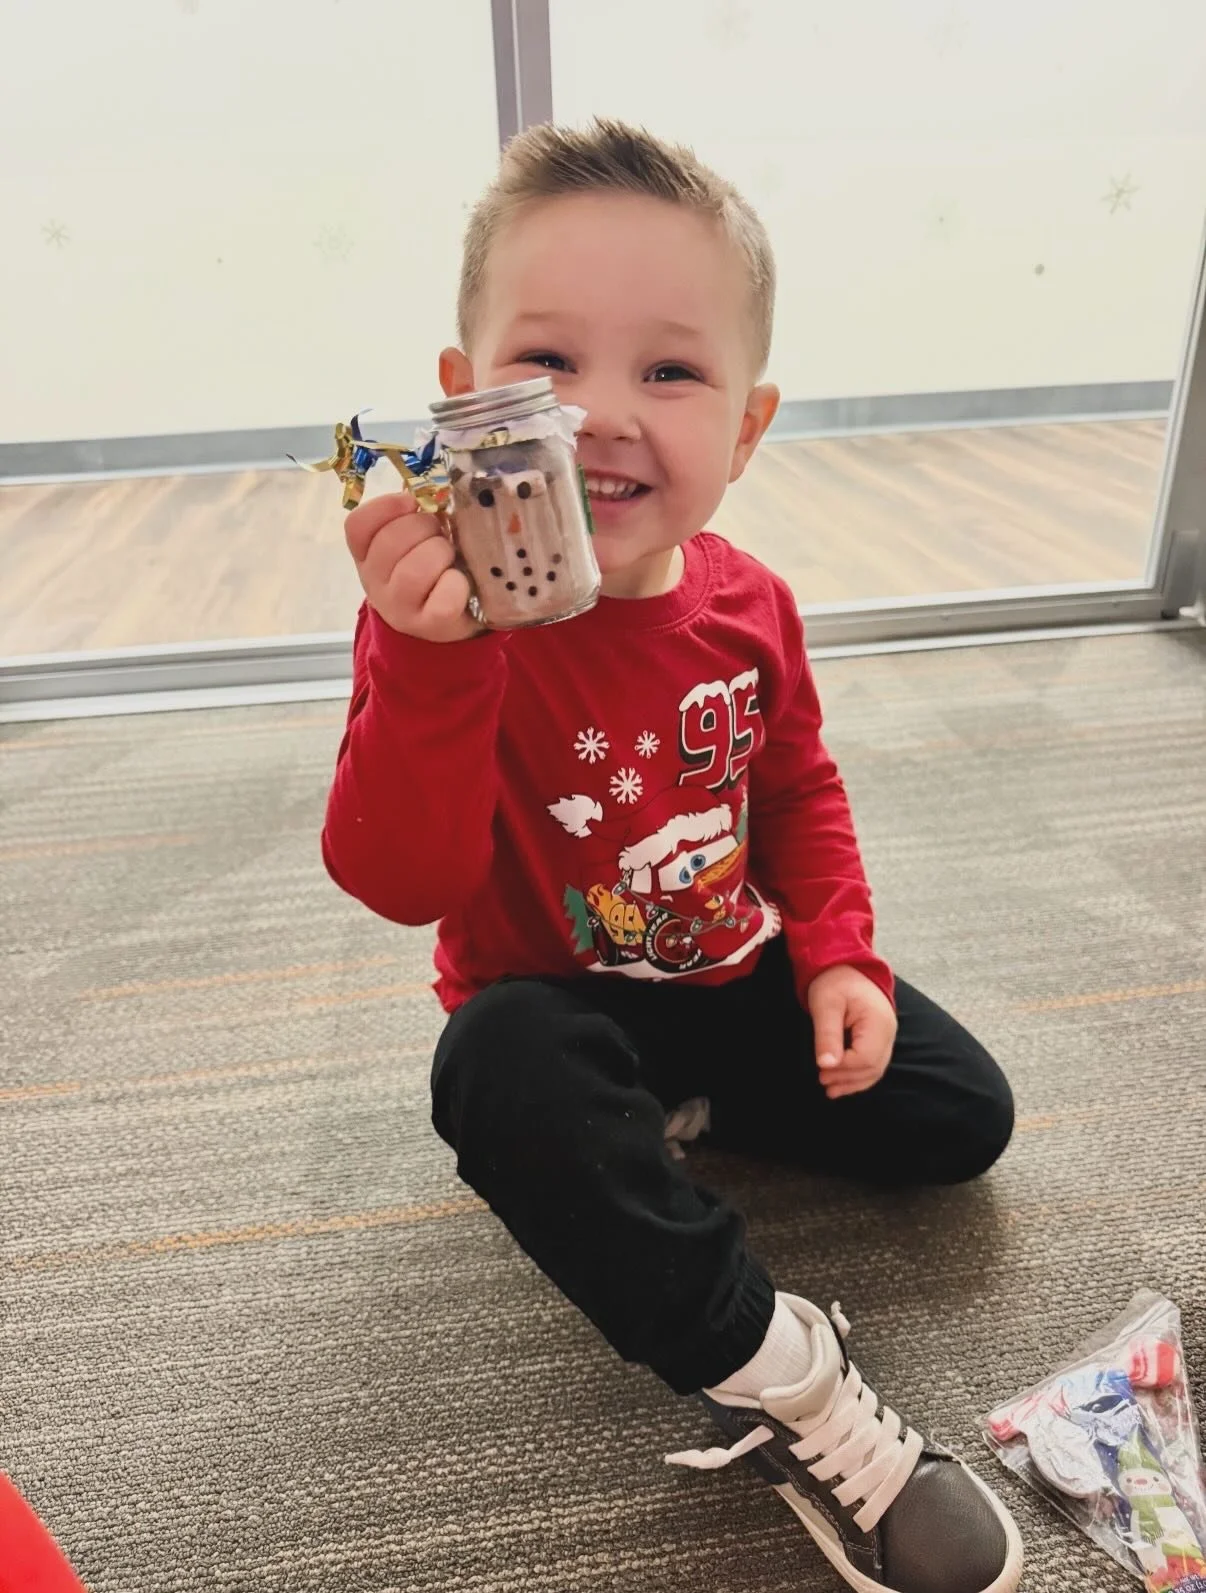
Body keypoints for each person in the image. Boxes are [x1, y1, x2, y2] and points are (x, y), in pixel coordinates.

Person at [322, 118, 1022, 1593]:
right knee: (498, 1075)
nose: (600, 415)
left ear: (748, 428)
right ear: (462, 403)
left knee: (958, 1113)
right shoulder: (451, 622)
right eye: (550, 366)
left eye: (670, 371)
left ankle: (658, 1117)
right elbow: (400, 880)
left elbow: (796, 790)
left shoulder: (746, 602)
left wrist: (838, 953)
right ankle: (787, 1384)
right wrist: (428, 657)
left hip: (723, 966)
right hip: (552, 1000)